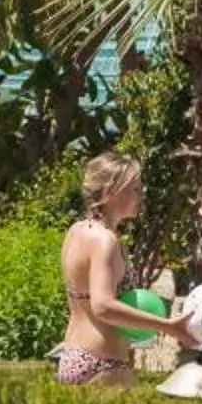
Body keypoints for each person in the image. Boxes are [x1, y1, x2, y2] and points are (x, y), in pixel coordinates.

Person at [55, 153, 181, 384]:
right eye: (134, 189)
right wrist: (167, 326)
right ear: (112, 192)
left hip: (72, 355)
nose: (140, 197)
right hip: (103, 362)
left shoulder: (76, 232)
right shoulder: (105, 240)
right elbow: (102, 306)